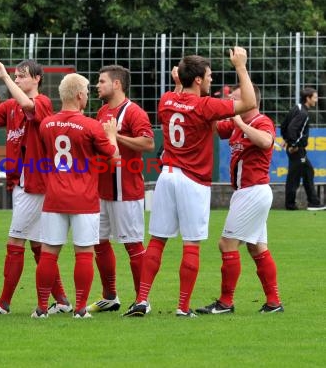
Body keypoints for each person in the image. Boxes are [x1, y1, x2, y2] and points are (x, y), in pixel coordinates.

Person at [127, 47, 257, 318]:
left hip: (167, 176)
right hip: (193, 180)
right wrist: (241, 67)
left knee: (157, 241)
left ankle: (141, 300)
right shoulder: (205, 105)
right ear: (197, 79)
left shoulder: (166, 100)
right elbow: (249, 103)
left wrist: (178, 82)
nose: (211, 80)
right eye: (208, 76)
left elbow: (178, 97)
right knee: (191, 244)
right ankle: (183, 307)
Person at [0, 59, 72, 317]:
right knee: (38, 245)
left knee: (15, 241)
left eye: (22, 76)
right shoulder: (10, 106)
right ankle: (62, 300)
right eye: (15, 76)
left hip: (35, 184)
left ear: (37, 79)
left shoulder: (42, 102)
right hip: (22, 182)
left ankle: (3, 304)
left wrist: (4, 79)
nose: (17, 79)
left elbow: (27, 105)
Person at [33, 73, 119, 318]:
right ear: (80, 95)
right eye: (87, 93)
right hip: (83, 199)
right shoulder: (91, 125)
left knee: (49, 253)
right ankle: (80, 309)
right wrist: (111, 134)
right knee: (83, 253)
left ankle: (41, 308)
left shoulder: (46, 124)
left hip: (54, 197)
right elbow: (113, 155)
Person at [196, 84, 284, 315]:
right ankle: (274, 302)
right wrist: (203, 98)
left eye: (235, 99)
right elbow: (215, 126)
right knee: (256, 247)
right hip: (247, 192)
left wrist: (240, 123)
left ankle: (226, 302)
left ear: (250, 100)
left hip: (253, 191)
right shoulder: (234, 124)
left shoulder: (261, 121)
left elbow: (266, 142)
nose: (232, 103)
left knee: (226, 244)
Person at [87, 65, 155, 315]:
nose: (97, 85)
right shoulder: (103, 111)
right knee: (99, 242)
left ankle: (142, 300)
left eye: (102, 81)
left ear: (117, 84)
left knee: (133, 245)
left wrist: (117, 136)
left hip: (126, 190)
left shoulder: (134, 112)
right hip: (102, 189)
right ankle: (110, 296)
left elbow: (148, 142)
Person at [282, 87, 326, 211]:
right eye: (315, 97)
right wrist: (293, 145)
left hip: (295, 148)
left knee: (308, 172)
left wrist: (286, 139)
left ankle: (313, 202)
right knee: (295, 176)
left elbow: (284, 125)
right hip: (296, 149)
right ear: (308, 98)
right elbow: (292, 129)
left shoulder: (297, 108)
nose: (316, 100)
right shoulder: (303, 113)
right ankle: (294, 205)